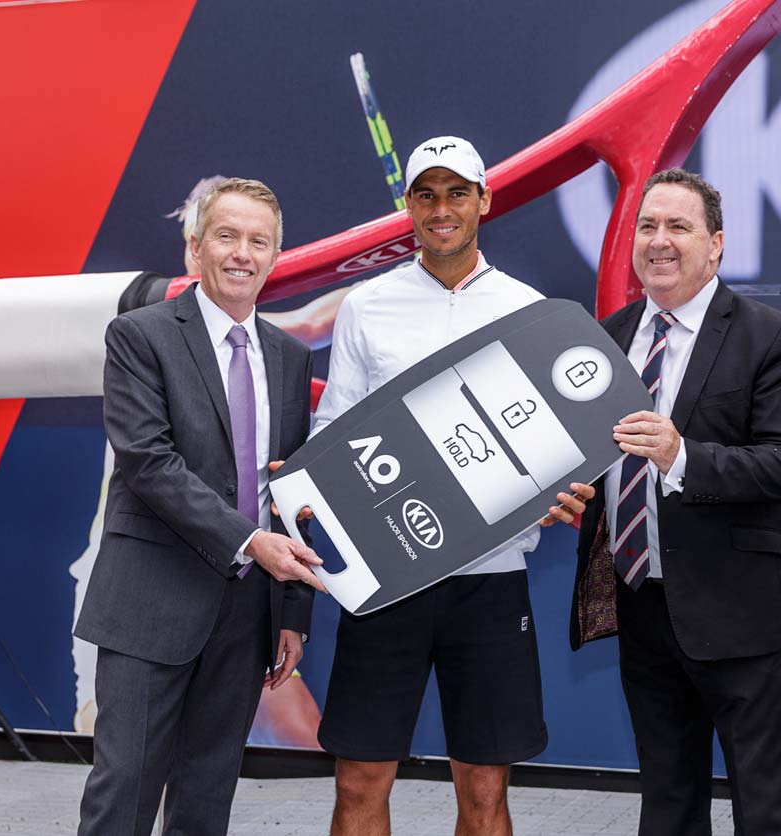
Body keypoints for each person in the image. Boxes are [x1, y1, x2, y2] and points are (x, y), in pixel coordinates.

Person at [312, 135, 592, 836]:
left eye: (457, 192)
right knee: (359, 781)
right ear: (408, 205)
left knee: (486, 790)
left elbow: (556, 449)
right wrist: (311, 479)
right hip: (388, 578)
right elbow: (334, 430)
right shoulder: (367, 306)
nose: (442, 209)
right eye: (427, 194)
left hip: (489, 582)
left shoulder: (527, 309)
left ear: (484, 201)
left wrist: (561, 493)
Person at [74, 177, 326, 836]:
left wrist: (292, 613)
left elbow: (292, 493)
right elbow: (149, 463)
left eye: (258, 241)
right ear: (196, 247)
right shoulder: (139, 336)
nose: (242, 253)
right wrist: (251, 542)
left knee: (206, 800)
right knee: (123, 795)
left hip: (247, 614)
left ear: (275, 256)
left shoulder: (290, 357)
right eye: (227, 236)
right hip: (149, 604)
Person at [569, 168, 781, 836]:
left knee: (766, 807)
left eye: (679, 226)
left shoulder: (770, 335)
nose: (660, 240)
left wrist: (682, 455)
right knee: (667, 802)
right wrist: (568, 494)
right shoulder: (606, 337)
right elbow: (590, 459)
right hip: (641, 602)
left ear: (716, 245)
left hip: (737, 609)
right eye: (647, 225)